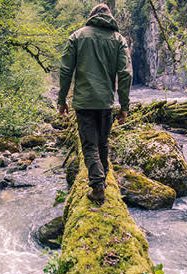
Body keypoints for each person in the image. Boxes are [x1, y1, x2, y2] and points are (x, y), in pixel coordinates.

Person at [57, 3, 132, 204]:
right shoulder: (118, 39)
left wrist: (61, 99)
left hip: (84, 101)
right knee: (102, 143)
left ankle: (98, 187)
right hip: (106, 102)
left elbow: (65, 71)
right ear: (109, 17)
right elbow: (125, 74)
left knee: (89, 145)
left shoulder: (77, 36)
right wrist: (124, 106)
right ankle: (103, 180)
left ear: (91, 17)